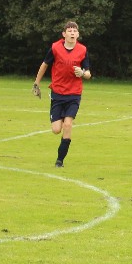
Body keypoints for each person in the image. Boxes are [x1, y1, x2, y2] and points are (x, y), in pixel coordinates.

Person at [32, 21, 91, 168]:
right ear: (64, 34)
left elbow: (88, 73)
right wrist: (36, 84)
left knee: (68, 125)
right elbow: (44, 65)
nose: (72, 33)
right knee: (56, 129)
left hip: (74, 94)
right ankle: (62, 120)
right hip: (57, 93)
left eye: (74, 31)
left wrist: (82, 73)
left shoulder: (83, 50)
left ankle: (60, 161)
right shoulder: (55, 48)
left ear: (78, 34)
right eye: (69, 31)